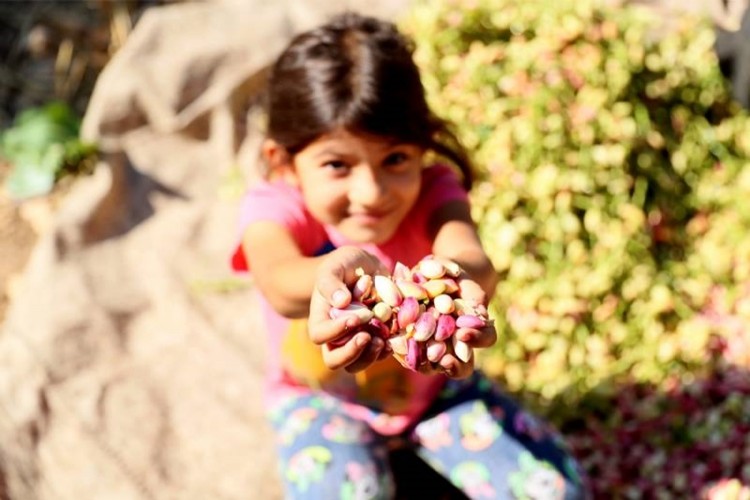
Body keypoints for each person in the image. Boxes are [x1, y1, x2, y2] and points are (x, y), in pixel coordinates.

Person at [231, 11, 587, 500]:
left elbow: (469, 255)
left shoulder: (436, 191)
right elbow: (277, 278)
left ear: (423, 148)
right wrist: (328, 278)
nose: (372, 191)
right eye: (338, 164)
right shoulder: (275, 205)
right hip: (321, 400)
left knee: (555, 491)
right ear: (284, 162)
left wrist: (462, 285)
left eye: (395, 159)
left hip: (436, 392)